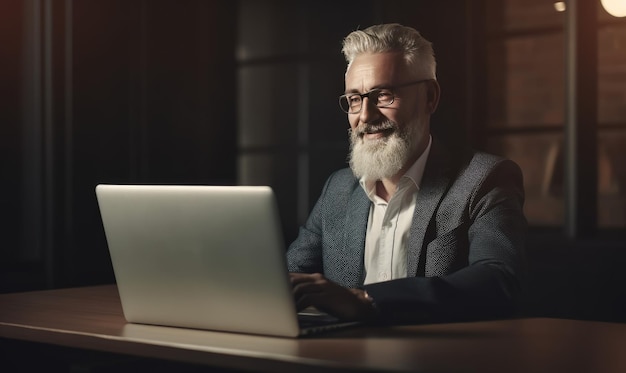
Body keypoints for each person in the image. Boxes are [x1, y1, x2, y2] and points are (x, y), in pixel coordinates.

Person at [287, 23, 526, 324]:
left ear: (430, 97)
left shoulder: (486, 178)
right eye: (354, 99)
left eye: (384, 95)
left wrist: (365, 300)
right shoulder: (338, 188)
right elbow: (291, 275)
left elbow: (498, 281)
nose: (365, 115)